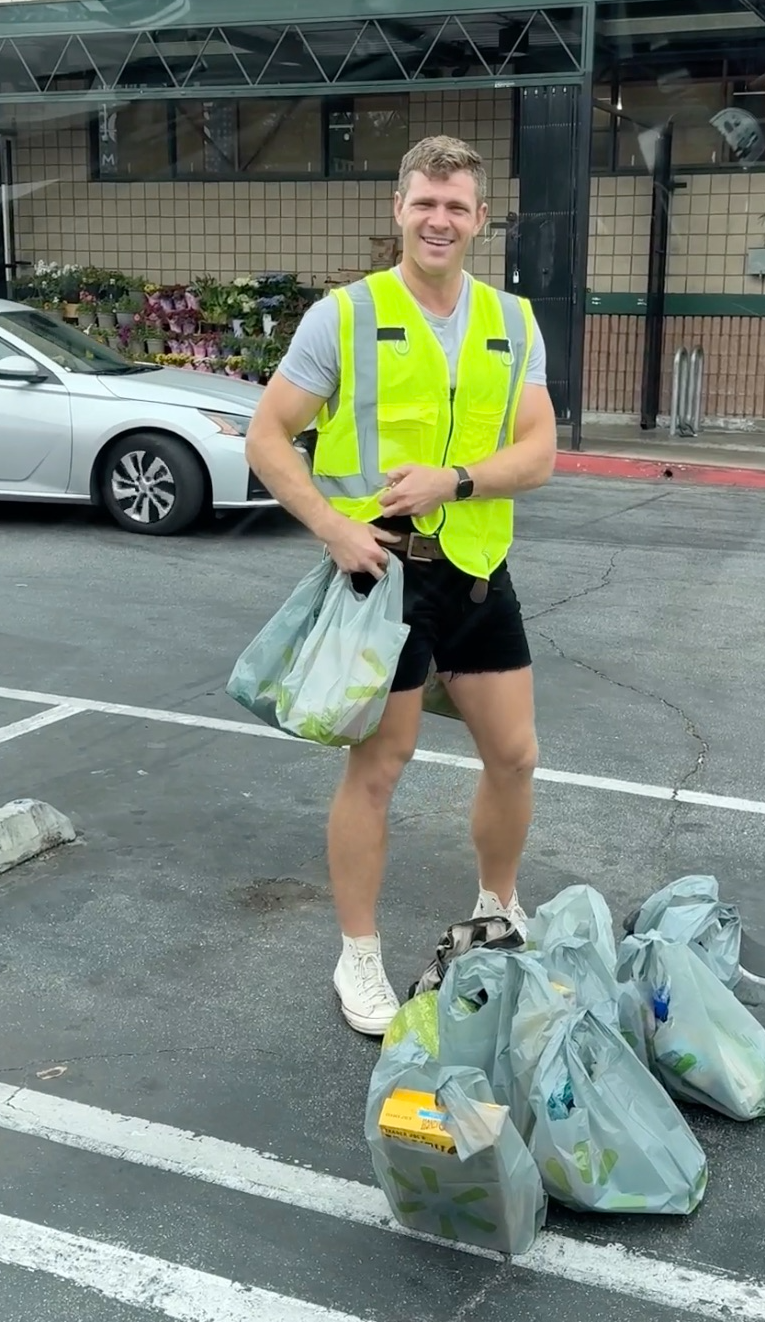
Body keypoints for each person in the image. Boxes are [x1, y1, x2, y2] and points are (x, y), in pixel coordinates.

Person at [245, 135, 557, 1036]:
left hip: (479, 571)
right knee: (379, 769)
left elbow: (537, 452)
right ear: (399, 207)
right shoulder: (342, 317)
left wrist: (457, 479)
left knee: (516, 755)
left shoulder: (513, 321)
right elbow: (268, 436)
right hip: (384, 578)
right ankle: (359, 956)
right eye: (426, 201)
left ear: (480, 219)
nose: (439, 219)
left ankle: (499, 905)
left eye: (457, 206)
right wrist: (336, 527)